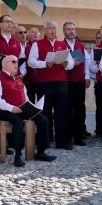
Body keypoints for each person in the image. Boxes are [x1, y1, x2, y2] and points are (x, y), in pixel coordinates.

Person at [0, 55, 58, 166]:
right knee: (18, 122)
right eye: (13, 61)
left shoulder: (19, 79)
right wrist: (12, 108)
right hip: (5, 111)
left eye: (17, 62)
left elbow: (25, 97)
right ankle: (18, 155)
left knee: (43, 119)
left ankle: (41, 152)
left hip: (21, 109)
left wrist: (32, 108)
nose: (16, 64)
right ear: (4, 64)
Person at [28, 21, 75, 149]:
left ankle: (62, 141)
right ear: (44, 30)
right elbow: (31, 61)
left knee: (62, 111)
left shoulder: (62, 44)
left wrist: (67, 64)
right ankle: (45, 140)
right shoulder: (37, 44)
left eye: (54, 28)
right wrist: (45, 64)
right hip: (44, 82)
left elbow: (71, 62)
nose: (52, 30)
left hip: (61, 81)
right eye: (50, 28)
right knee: (45, 111)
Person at [63, 22, 90, 146]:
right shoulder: (61, 45)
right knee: (67, 109)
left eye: (73, 29)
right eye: (68, 29)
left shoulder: (81, 45)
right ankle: (67, 136)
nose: (71, 31)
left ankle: (79, 137)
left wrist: (87, 77)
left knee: (80, 109)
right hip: (66, 82)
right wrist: (72, 62)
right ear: (64, 32)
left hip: (79, 82)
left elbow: (86, 62)